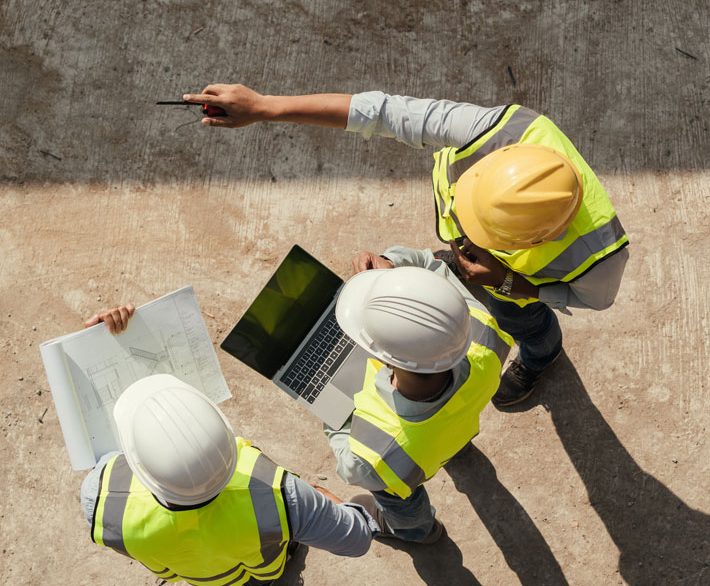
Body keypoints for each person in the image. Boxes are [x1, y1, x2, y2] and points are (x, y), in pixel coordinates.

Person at [182, 84, 629, 406]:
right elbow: (383, 112)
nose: (462, 234)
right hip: (494, 271)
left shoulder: (600, 259)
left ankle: (541, 355)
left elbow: (594, 301)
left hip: (513, 287)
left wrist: (513, 285)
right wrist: (265, 107)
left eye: (479, 233)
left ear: (537, 238)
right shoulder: (499, 130)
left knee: (526, 324)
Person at [80, 305, 379, 586]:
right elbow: (356, 538)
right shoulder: (283, 496)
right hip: (261, 562)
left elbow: (101, 450)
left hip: (200, 576)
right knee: (264, 566)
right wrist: (314, 499)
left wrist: (98, 346)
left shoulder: (99, 499)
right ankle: (261, 583)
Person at [324, 248, 513, 542]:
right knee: (447, 435)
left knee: (399, 499)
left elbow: (351, 468)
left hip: (407, 464)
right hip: (452, 429)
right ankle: (456, 451)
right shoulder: (484, 333)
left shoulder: (375, 457)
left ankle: (417, 531)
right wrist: (393, 272)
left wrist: (330, 411)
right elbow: (432, 268)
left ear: (382, 359)